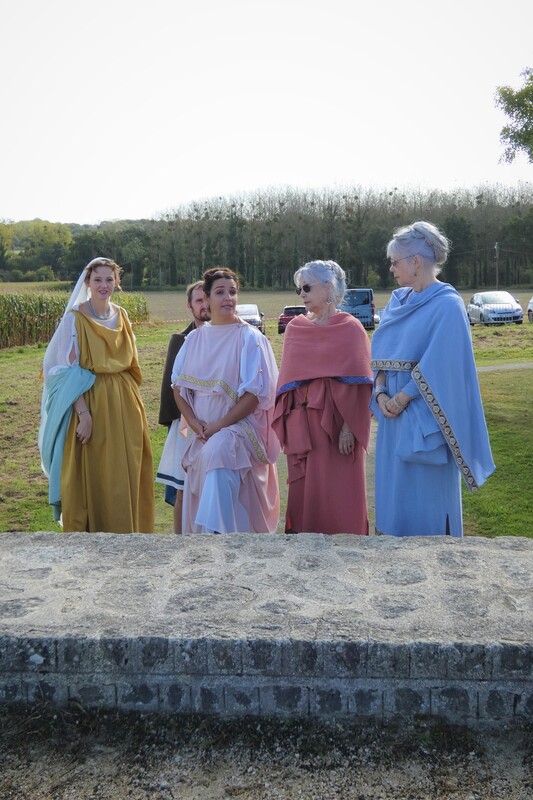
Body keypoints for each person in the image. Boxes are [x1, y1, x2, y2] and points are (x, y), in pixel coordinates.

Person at [370, 221, 495, 537]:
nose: (391, 268)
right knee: (393, 496)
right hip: (391, 417)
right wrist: (382, 391)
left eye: (395, 261)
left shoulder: (447, 304)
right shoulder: (398, 301)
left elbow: (443, 365)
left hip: (426, 412)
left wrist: (402, 397)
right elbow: (381, 352)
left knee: (426, 503)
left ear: (415, 261)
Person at [38, 257, 154, 533]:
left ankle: (128, 532)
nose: (104, 285)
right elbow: (65, 371)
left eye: (109, 279)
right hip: (91, 401)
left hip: (126, 403)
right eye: (98, 279)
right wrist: (83, 413)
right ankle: (96, 534)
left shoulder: (123, 315)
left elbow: (131, 362)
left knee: (126, 468)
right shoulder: (74, 319)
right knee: (99, 471)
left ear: (117, 283)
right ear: (88, 283)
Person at [171, 267, 280, 534]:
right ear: (206, 298)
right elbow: (179, 389)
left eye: (232, 292)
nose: (228, 298)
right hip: (202, 430)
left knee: (220, 454)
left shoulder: (250, 338)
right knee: (211, 459)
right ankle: (210, 546)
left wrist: (218, 426)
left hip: (238, 427)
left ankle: (220, 537)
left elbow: (254, 395)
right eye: (220, 292)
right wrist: (196, 425)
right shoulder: (194, 339)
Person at [272, 260, 373, 535]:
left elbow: (361, 385)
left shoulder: (351, 328)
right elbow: (286, 388)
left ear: (328, 288)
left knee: (340, 493)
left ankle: (348, 548)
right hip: (304, 429)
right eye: (298, 289)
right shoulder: (295, 328)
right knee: (306, 495)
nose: (301, 294)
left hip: (339, 430)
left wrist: (350, 427)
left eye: (306, 287)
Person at [156, 281, 210, 533]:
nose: (205, 305)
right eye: (198, 301)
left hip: (217, 422)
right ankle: (180, 541)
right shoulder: (180, 340)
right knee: (182, 489)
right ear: (190, 306)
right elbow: (171, 390)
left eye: (207, 298)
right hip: (185, 425)